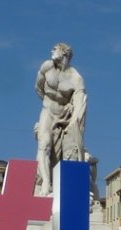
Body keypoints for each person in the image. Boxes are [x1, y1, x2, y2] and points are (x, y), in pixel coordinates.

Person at [34, 42, 87, 196]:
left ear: (64, 53)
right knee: (44, 145)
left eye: (55, 49)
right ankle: (46, 183)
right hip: (47, 112)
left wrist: (71, 122)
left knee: (64, 153)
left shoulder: (76, 79)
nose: (51, 50)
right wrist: (48, 104)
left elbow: (79, 107)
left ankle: (62, 184)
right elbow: (38, 88)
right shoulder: (47, 67)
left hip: (63, 116)